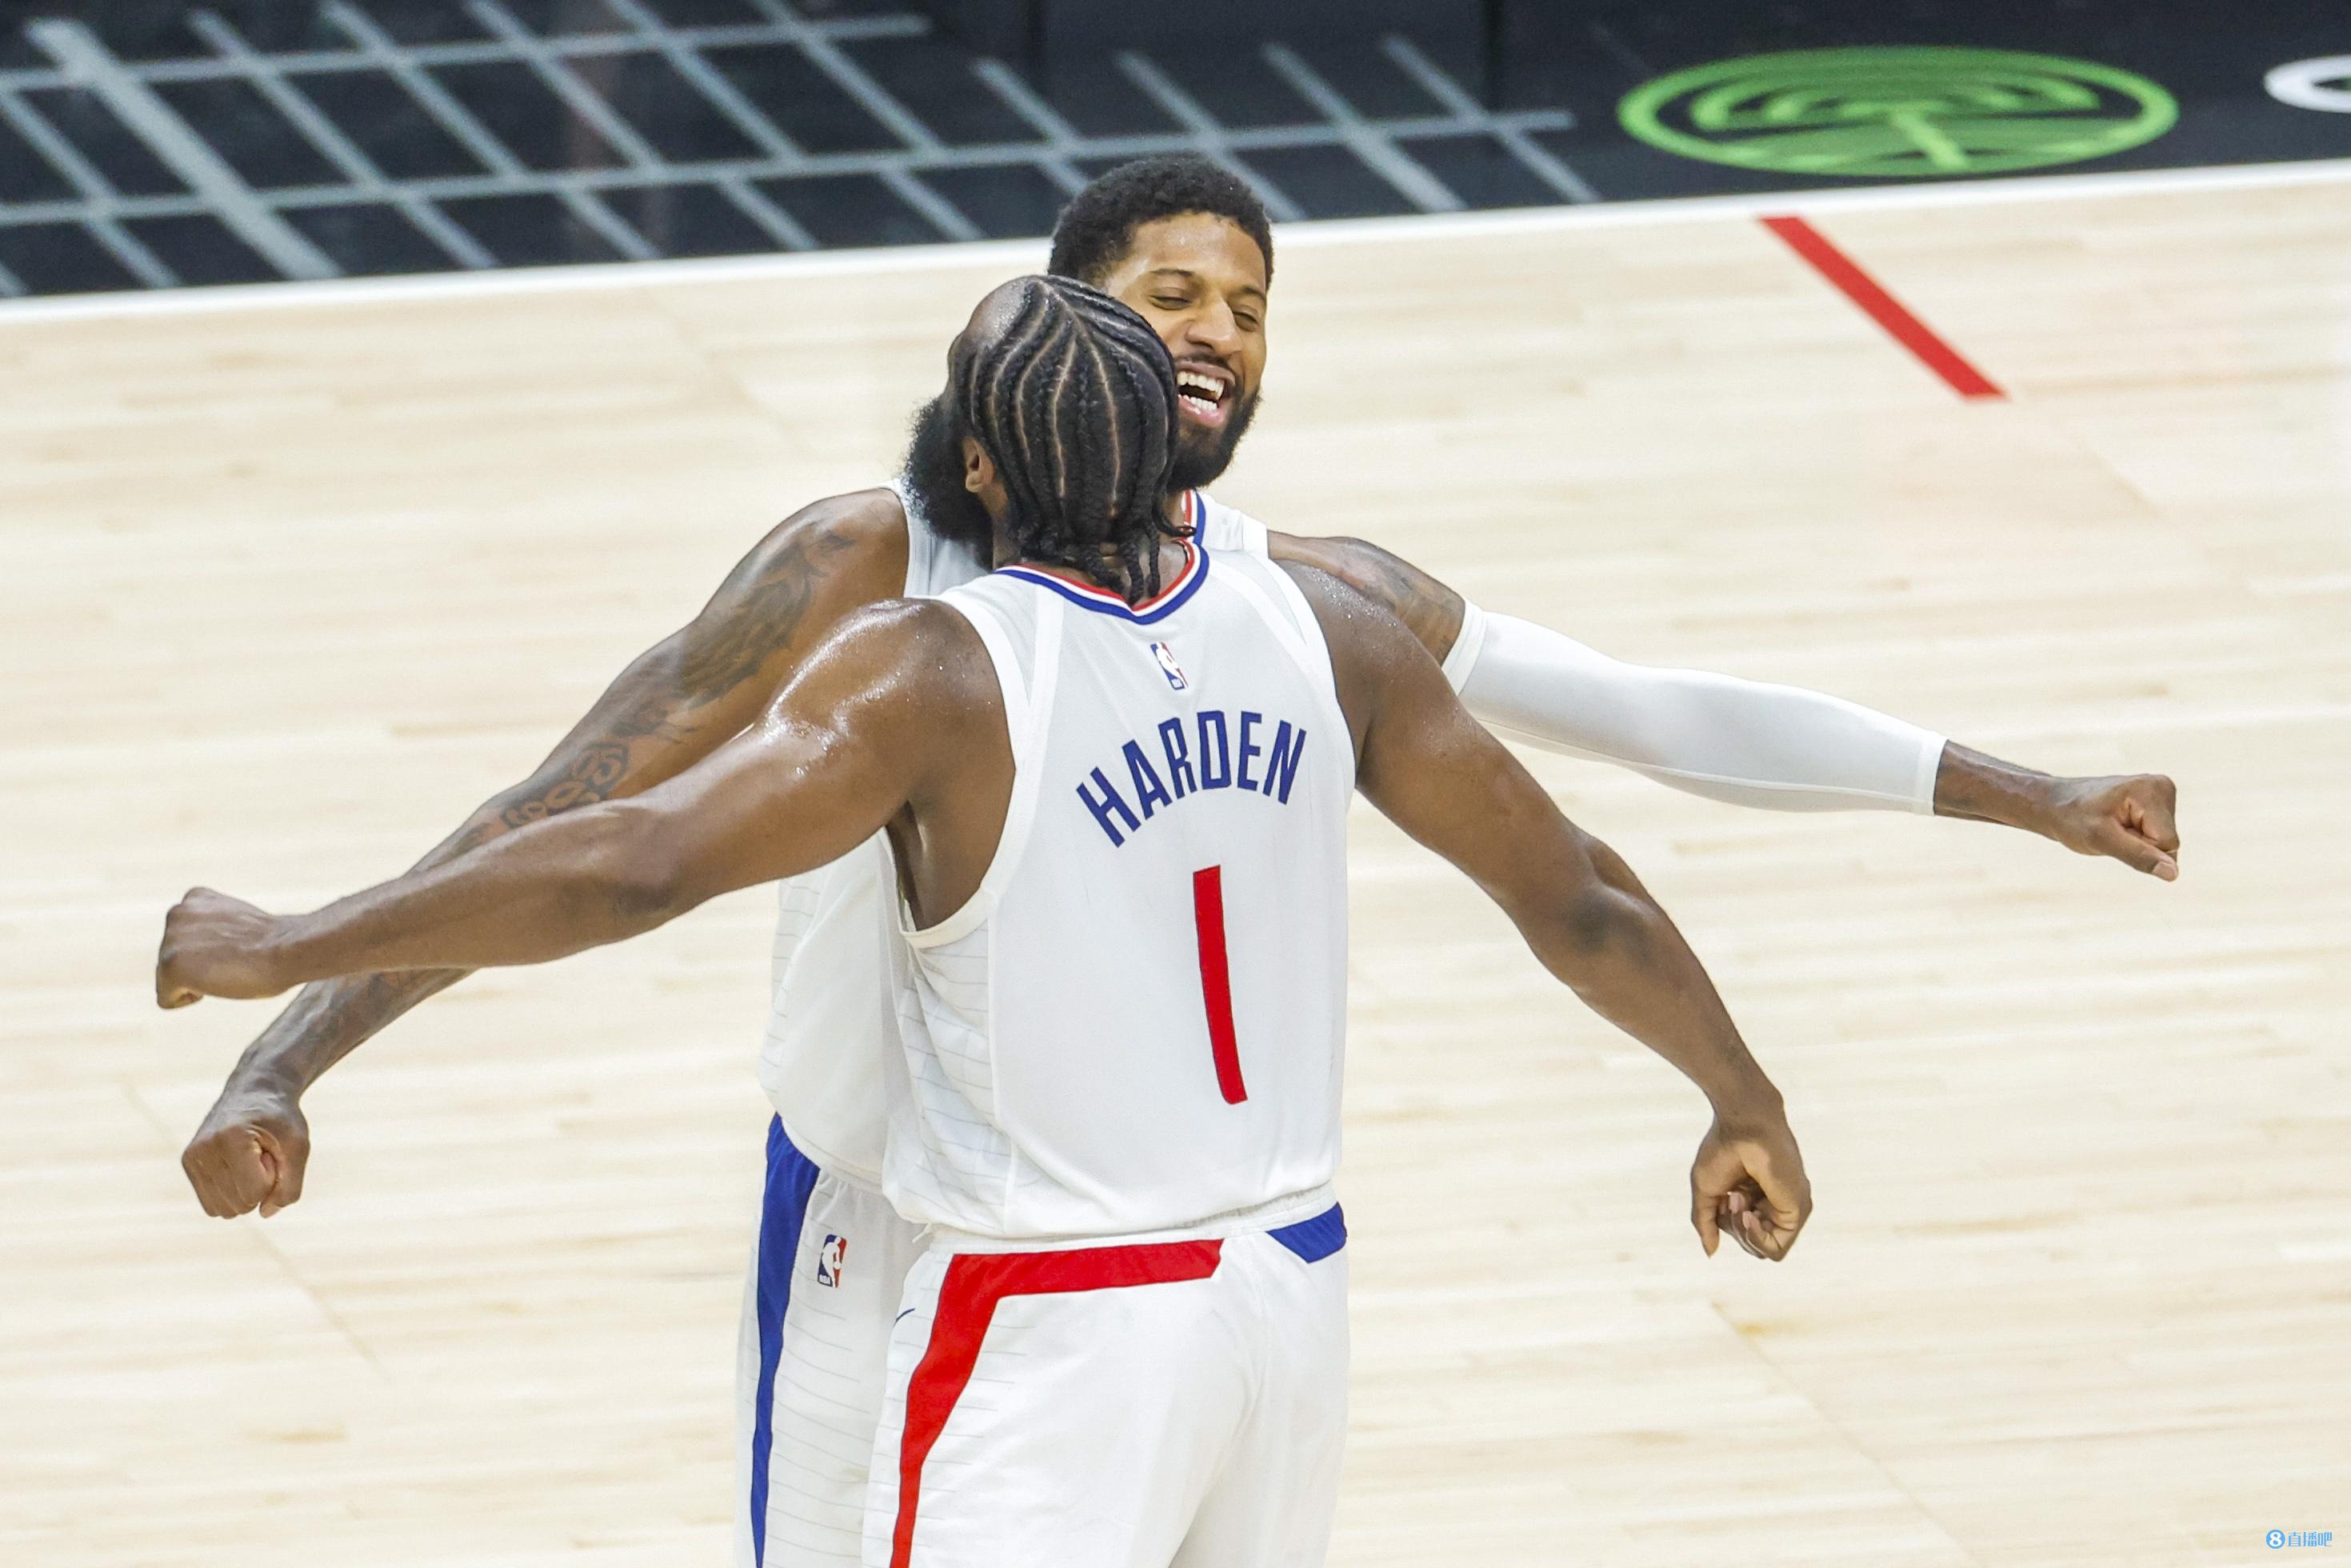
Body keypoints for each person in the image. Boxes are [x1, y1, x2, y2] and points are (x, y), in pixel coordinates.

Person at [173, 158, 2179, 1565]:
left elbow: (1647, 713)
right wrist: (290, 1052)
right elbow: (572, 814)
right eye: (1173, 298)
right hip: (901, 1224)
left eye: (1249, 305)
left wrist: (2029, 792)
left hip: (1085, 1264)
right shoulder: (870, 575)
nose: (1218, 333)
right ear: (1072, 328)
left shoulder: (1305, 594)